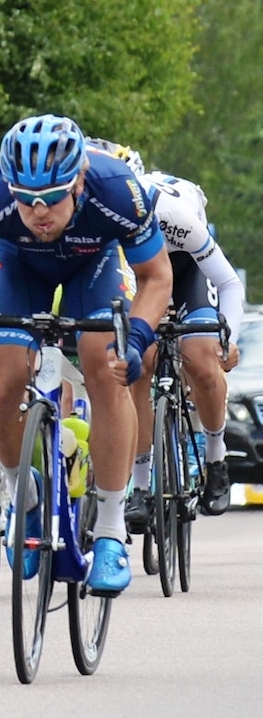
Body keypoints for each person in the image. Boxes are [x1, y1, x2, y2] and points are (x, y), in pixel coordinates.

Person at [0, 114, 173, 596]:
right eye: (26, 202)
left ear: (79, 182)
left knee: (106, 367)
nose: (39, 212)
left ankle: (109, 532)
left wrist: (137, 339)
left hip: (96, 265)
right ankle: (21, 498)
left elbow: (157, 277)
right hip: (20, 268)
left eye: (51, 200)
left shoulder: (116, 189)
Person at [94, 142, 243, 524]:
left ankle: (215, 457)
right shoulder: (100, 218)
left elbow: (228, 282)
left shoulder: (174, 214)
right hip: (140, 273)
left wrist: (230, 337)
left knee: (202, 359)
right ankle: (140, 486)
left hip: (185, 266)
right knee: (138, 362)